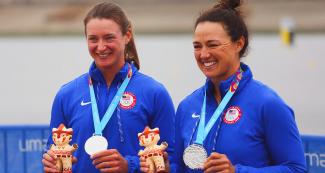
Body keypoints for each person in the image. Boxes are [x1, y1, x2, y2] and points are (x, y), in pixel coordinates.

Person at [171, 0, 307, 172]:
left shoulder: (267, 104)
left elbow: (296, 169)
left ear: (239, 44)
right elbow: (179, 166)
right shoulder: (187, 106)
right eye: (197, 46)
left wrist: (237, 171)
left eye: (213, 45)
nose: (204, 54)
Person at [41, 2, 175, 173]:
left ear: (127, 36)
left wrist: (129, 166)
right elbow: (52, 149)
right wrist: (49, 162)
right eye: (93, 39)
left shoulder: (154, 93)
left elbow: (172, 160)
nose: (101, 46)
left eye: (109, 37)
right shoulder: (67, 94)